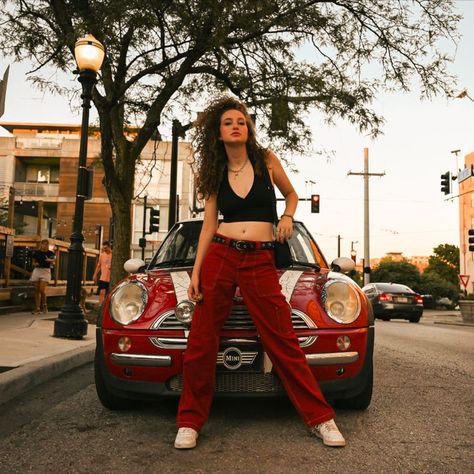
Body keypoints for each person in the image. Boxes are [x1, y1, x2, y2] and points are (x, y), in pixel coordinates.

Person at [174, 97, 345, 450]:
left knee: (282, 337)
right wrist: (195, 273)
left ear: (248, 128)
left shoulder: (266, 160)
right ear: (218, 134)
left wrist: (286, 217)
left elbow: (292, 195)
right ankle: (190, 421)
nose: (236, 125)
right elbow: (208, 226)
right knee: (202, 340)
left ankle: (320, 418)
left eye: (241, 121)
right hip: (221, 256)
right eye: (228, 122)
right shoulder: (214, 173)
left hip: (260, 260)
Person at [30, 239, 55, 314]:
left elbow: (54, 262)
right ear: (41, 244)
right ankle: (37, 308)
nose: (45, 245)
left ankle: (44, 305)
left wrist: (50, 261)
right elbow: (33, 263)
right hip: (37, 270)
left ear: (48, 245)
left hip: (46, 271)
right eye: (43, 244)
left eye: (46, 244)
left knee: (42, 290)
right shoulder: (36, 253)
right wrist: (35, 264)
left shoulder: (50, 253)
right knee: (37, 290)